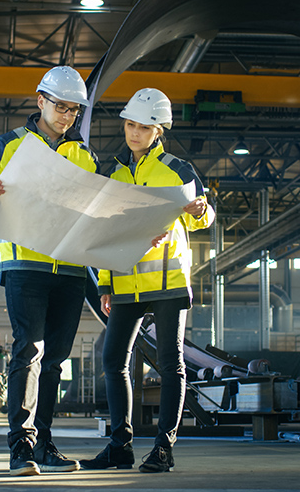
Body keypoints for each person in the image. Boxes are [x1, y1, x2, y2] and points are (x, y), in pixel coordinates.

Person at [0, 66, 98, 477]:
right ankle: (20, 448)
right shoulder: (7, 145)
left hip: (73, 269)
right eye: (61, 106)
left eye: (74, 110)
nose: (67, 116)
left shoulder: (86, 156)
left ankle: (44, 445)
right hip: (26, 264)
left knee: (56, 361)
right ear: (40, 100)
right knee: (28, 352)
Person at [81, 88, 214, 473]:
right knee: (113, 360)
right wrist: (104, 284)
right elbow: (104, 233)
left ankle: (163, 448)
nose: (134, 132)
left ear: (159, 130)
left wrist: (201, 209)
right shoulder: (113, 174)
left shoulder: (177, 169)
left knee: (170, 364)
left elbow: (202, 217)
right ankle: (120, 446)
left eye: (143, 126)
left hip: (167, 281)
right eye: (129, 124)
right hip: (123, 282)